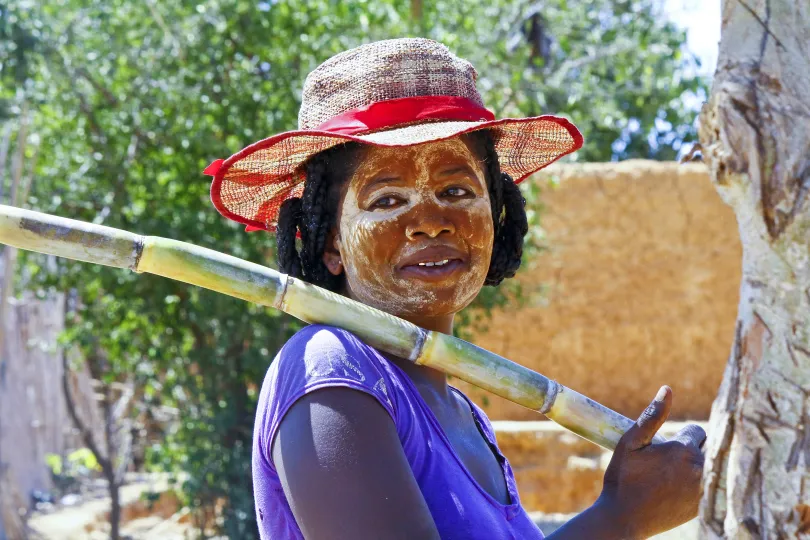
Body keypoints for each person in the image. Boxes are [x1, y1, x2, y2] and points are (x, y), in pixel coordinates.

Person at [206, 38, 706, 540]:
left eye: (456, 191)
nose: (429, 221)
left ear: (497, 214)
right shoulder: (332, 372)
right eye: (387, 199)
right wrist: (622, 518)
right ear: (330, 242)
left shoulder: (463, 415)